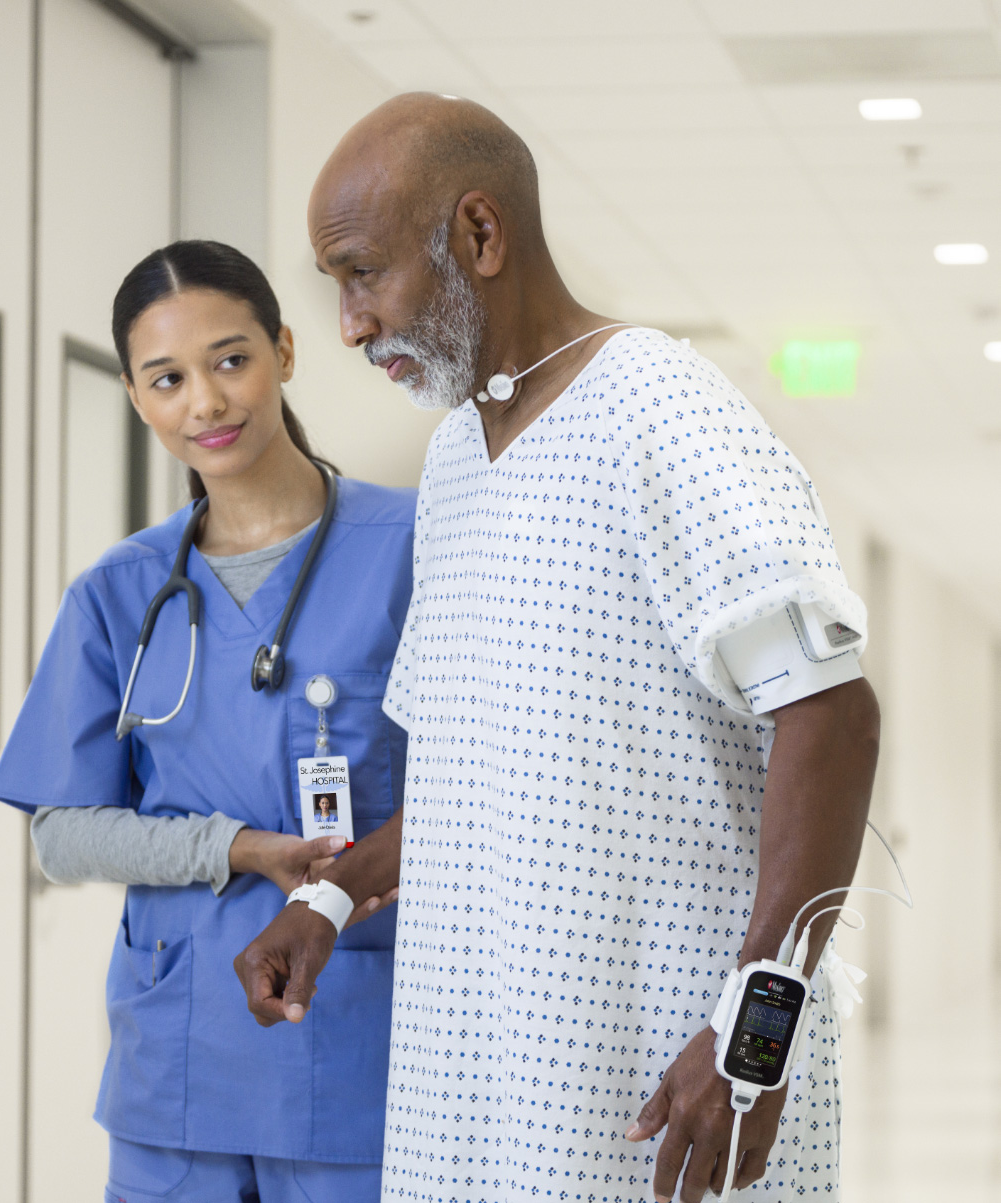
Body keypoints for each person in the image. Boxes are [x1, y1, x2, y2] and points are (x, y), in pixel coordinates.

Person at [234, 95, 882, 1203]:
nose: (347, 325)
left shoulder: (663, 412)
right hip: (479, 1097)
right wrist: (332, 899)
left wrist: (752, 1040)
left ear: (480, 236)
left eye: (362, 274)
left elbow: (831, 714)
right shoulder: (455, 463)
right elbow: (481, 776)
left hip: (659, 1105)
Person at [0, 240, 415, 1203]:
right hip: (177, 1058)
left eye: (231, 360)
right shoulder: (121, 590)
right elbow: (61, 834)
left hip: (359, 1045)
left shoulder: (414, 549)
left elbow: (484, 786)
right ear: (138, 399)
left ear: (286, 352)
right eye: (167, 378)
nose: (206, 403)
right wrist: (237, 847)